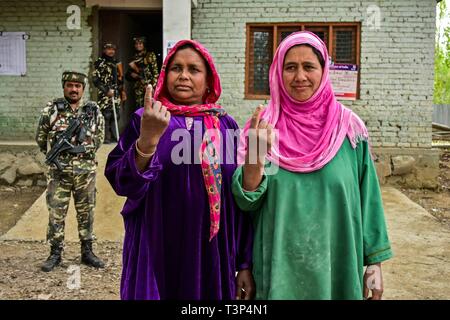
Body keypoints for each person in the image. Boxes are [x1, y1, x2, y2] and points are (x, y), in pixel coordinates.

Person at [232, 31, 393, 300]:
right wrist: (243, 266)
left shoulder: (350, 130)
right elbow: (246, 205)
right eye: (290, 67)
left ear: (324, 70)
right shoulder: (261, 128)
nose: (300, 77)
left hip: (337, 267)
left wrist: (374, 262)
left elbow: (369, 199)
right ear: (277, 72)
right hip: (276, 269)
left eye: (309, 67)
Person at [105, 40, 255, 300]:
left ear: (209, 80)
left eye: (194, 69)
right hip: (155, 244)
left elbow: (238, 201)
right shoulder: (147, 118)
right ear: (165, 75)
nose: (183, 76)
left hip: (210, 251)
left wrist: (244, 263)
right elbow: (122, 183)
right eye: (176, 68)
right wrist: (147, 141)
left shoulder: (226, 126)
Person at [36, 71, 106, 272]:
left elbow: (99, 138)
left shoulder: (93, 110)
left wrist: (82, 153)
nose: (73, 89)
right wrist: (59, 158)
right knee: (56, 213)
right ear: (64, 86)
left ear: (83, 88)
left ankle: (87, 252)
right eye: (70, 85)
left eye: (77, 86)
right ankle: (55, 253)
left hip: (86, 173)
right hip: (59, 174)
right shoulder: (51, 109)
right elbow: (41, 138)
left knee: (87, 213)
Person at [92, 42, 125, 144]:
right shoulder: (100, 63)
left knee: (116, 115)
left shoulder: (115, 63)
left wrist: (122, 91)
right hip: (105, 95)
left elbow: (119, 79)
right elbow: (95, 79)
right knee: (106, 115)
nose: (111, 51)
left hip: (115, 94)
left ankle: (115, 137)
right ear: (104, 50)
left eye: (113, 50)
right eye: (109, 49)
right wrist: (106, 90)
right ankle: (106, 138)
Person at [125, 36, 159, 109]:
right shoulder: (134, 57)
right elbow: (128, 75)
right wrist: (133, 75)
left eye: (140, 43)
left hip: (149, 86)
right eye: (136, 44)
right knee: (139, 108)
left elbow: (155, 73)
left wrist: (153, 86)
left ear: (144, 44)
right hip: (138, 88)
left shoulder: (150, 55)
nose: (138, 45)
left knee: (150, 107)